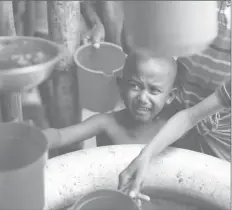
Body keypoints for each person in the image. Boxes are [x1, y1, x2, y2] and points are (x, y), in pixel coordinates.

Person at [117, 1, 231, 208]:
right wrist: (145, 157)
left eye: (152, 90)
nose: (143, 97)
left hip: (222, 145)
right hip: (189, 114)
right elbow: (189, 117)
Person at [42, 52, 184, 150]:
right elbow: (61, 136)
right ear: (121, 87)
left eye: (154, 90)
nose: (142, 98)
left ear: (170, 96)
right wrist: (37, 139)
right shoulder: (107, 123)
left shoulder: (174, 125)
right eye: (135, 86)